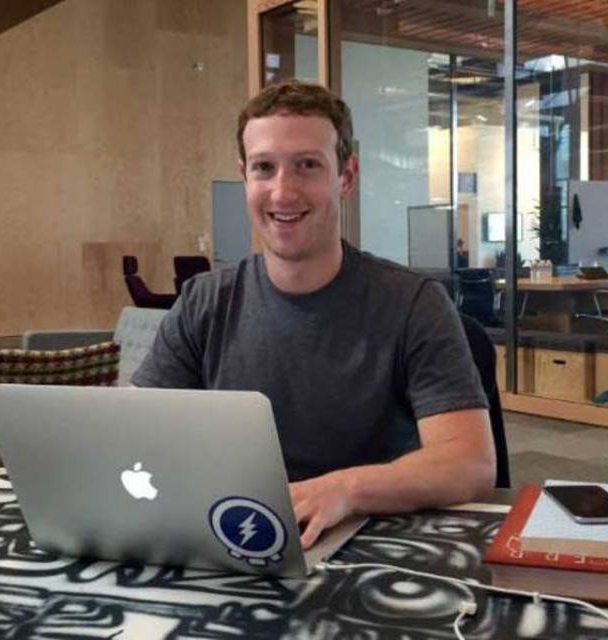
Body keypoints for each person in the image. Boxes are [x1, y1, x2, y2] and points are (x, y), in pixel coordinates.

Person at [133, 80, 495, 549]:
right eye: (264, 168)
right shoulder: (204, 302)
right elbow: (135, 435)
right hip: (236, 538)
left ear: (346, 177)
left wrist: (344, 490)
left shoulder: (413, 304)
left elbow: (469, 463)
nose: (282, 192)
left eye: (307, 165)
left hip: (369, 549)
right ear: (244, 177)